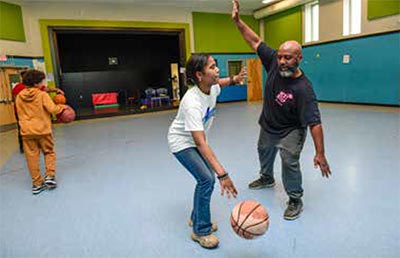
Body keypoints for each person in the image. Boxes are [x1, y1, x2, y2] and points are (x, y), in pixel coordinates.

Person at [232, 0, 331, 220]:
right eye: (280, 57)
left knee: (289, 161)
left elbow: (315, 122)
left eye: (288, 57)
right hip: (269, 124)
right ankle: (266, 177)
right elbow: (255, 40)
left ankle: (295, 198)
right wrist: (238, 22)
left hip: (291, 130)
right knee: (263, 150)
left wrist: (320, 153)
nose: (282, 61)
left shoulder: (304, 89)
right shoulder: (274, 63)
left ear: (299, 58)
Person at [167, 54, 244, 249]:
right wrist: (222, 174)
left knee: (204, 179)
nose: (217, 70)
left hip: (195, 141)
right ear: (200, 75)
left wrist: (234, 80)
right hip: (182, 143)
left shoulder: (211, 87)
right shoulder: (192, 102)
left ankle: (196, 217)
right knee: (207, 179)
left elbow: (222, 84)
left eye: (216, 65)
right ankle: (201, 230)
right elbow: (200, 143)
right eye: (212, 67)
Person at [15, 69, 66, 195]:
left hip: (27, 132)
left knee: (31, 157)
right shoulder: (42, 95)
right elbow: (53, 109)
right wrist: (62, 107)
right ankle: (49, 176)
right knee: (49, 152)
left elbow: (19, 113)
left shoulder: (19, 97)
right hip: (43, 130)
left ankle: (37, 184)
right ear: (37, 83)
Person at [12, 70, 64, 154]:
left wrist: (56, 90)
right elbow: (52, 108)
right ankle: (31, 146)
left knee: (25, 129)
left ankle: (27, 148)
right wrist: (62, 106)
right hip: (29, 112)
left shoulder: (22, 89)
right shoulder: (35, 91)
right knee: (38, 128)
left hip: (23, 113)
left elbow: (46, 89)